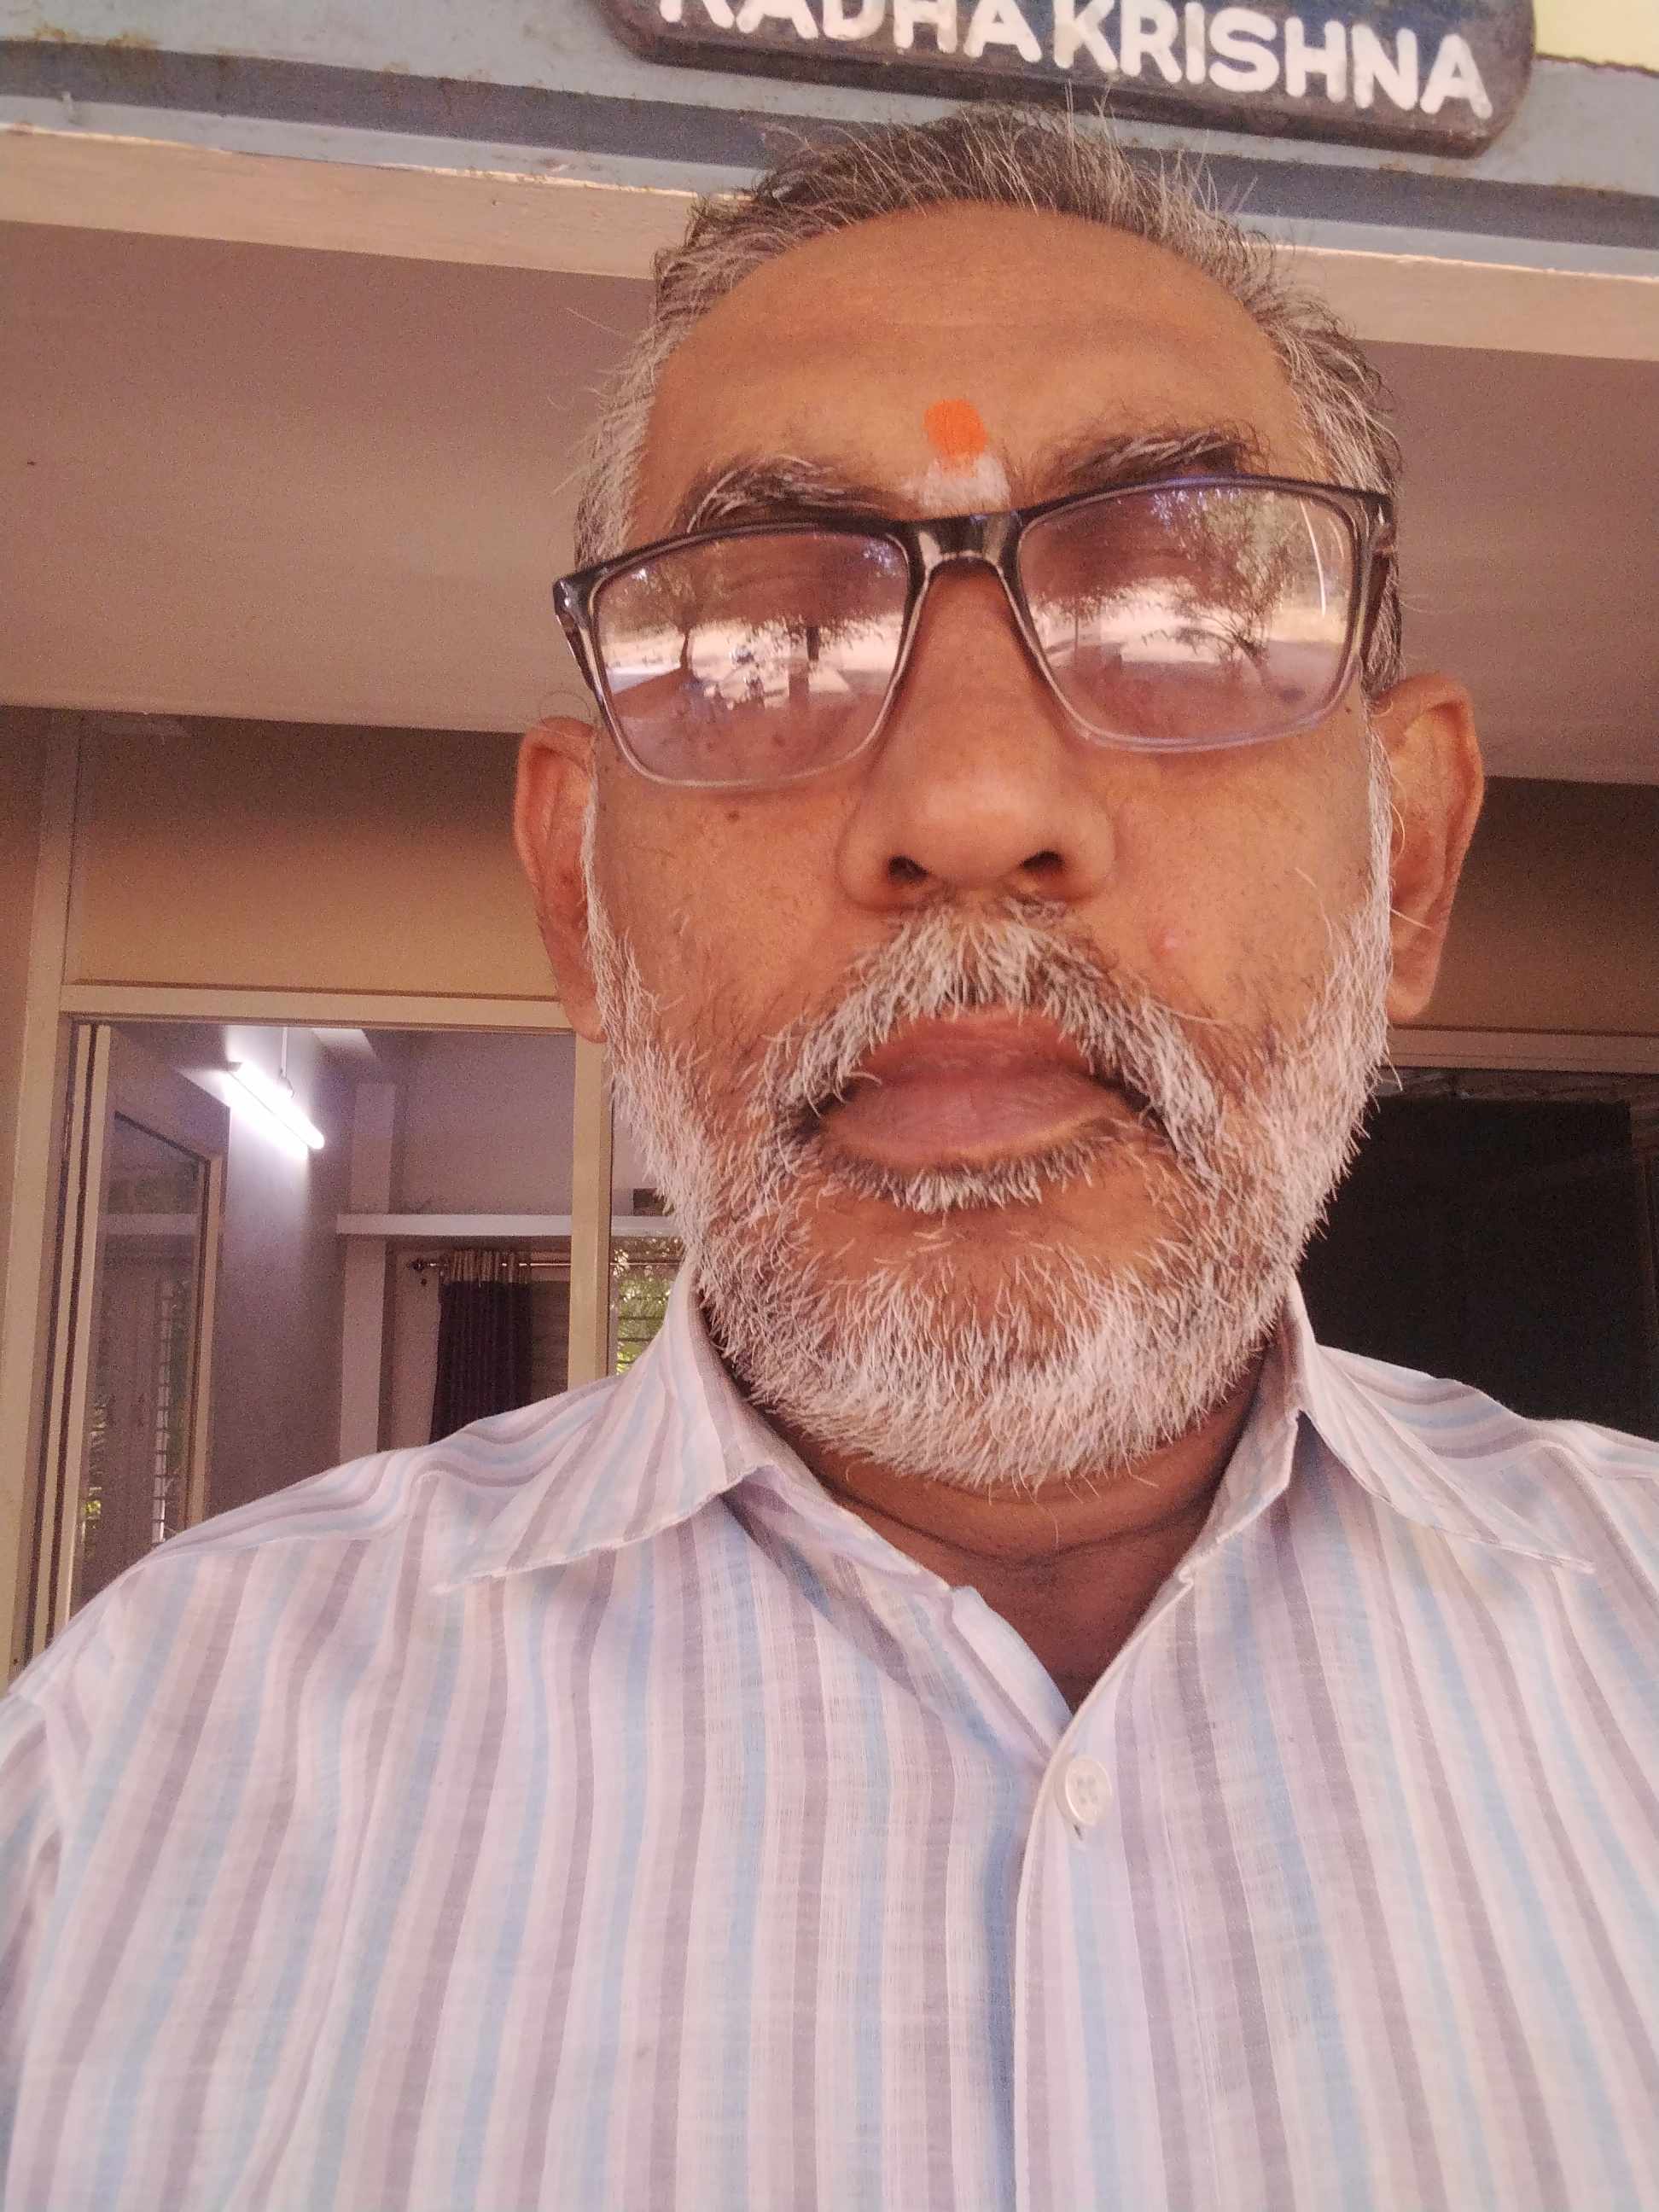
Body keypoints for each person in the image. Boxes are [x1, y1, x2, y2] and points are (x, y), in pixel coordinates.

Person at [3, 106, 1656, 2212]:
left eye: (1177, 615)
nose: (967, 807)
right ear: (576, 895)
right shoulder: (125, 1779)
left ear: (1406, 860)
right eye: (757, 643)